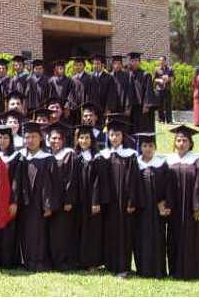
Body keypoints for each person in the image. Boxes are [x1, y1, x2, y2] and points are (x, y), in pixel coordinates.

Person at [166, 125, 199, 280]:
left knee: (192, 237)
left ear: (190, 143)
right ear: (174, 143)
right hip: (175, 209)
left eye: (185, 140)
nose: (181, 143)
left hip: (192, 209)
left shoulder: (197, 162)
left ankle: (194, 271)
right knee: (174, 237)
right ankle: (174, 270)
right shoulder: (169, 161)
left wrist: (198, 206)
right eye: (178, 140)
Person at [97, 118, 139, 277]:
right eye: (112, 135)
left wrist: (131, 201)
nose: (114, 137)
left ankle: (123, 266)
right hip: (108, 202)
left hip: (123, 202)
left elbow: (134, 180)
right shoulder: (103, 155)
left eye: (117, 135)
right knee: (108, 231)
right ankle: (109, 264)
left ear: (123, 136)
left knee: (123, 232)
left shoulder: (130, 156)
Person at [132, 132, 173, 278]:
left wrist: (165, 203)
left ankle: (158, 270)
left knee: (157, 239)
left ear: (155, 147)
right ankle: (142, 269)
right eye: (144, 145)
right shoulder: (135, 163)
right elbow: (130, 187)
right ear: (140, 147)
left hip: (157, 210)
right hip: (140, 209)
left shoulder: (161, 164)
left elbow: (169, 186)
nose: (147, 149)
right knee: (140, 238)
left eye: (150, 146)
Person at [17, 121, 56, 272]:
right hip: (23, 202)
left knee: (39, 233)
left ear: (41, 138)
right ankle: (26, 260)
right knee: (25, 232)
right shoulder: (20, 157)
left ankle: (38, 262)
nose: (30, 140)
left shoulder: (47, 159)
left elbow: (51, 184)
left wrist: (48, 204)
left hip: (39, 203)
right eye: (27, 137)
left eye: (34, 136)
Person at [74, 125, 107, 271]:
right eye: (81, 137)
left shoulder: (97, 158)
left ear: (92, 139)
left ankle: (92, 262)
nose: (84, 140)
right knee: (78, 230)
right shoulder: (76, 157)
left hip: (92, 202)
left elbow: (99, 182)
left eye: (87, 137)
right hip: (78, 201)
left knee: (93, 231)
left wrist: (96, 201)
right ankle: (79, 261)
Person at [46, 122, 78, 271]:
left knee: (62, 232)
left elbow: (71, 179)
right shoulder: (47, 155)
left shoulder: (69, 154)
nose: (56, 141)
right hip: (51, 201)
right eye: (53, 138)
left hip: (63, 201)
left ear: (63, 140)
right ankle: (52, 260)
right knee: (52, 232)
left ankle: (63, 262)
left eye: (58, 138)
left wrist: (69, 200)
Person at [0, 125, 21, 268]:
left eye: (5, 137)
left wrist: (14, 201)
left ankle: (8, 261)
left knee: (9, 230)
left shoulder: (16, 157)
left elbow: (17, 180)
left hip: (8, 199)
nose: (2, 140)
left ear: (10, 139)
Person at [127, 52, 157, 134]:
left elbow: (148, 91)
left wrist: (146, 105)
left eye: (136, 61)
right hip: (132, 108)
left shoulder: (146, 75)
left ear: (139, 62)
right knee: (131, 129)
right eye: (132, 61)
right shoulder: (127, 75)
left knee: (143, 129)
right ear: (129, 62)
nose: (134, 63)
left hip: (142, 108)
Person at [154, 56, 174, 124]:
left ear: (165, 61)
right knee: (160, 105)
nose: (161, 62)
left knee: (168, 105)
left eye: (162, 60)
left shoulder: (170, 69)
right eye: (160, 60)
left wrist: (167, 79)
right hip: (159, 89)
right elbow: (154, 79)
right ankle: (161, 119)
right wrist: (160, 80)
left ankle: (169, 120)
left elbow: (172, 78)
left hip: (167, 89)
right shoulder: (157, 69)